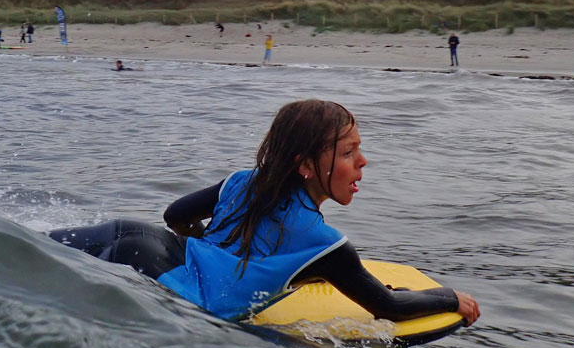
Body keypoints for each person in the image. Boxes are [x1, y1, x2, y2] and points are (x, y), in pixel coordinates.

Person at [49, 100, 480, 326]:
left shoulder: (242, 180)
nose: (363, 162)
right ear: (306, 165)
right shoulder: (325, 245)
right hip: (169, 281)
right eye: (349, 153)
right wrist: (449, 298)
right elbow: (388, 306)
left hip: (139, 237)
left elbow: (175, 215)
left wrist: (206, 246)